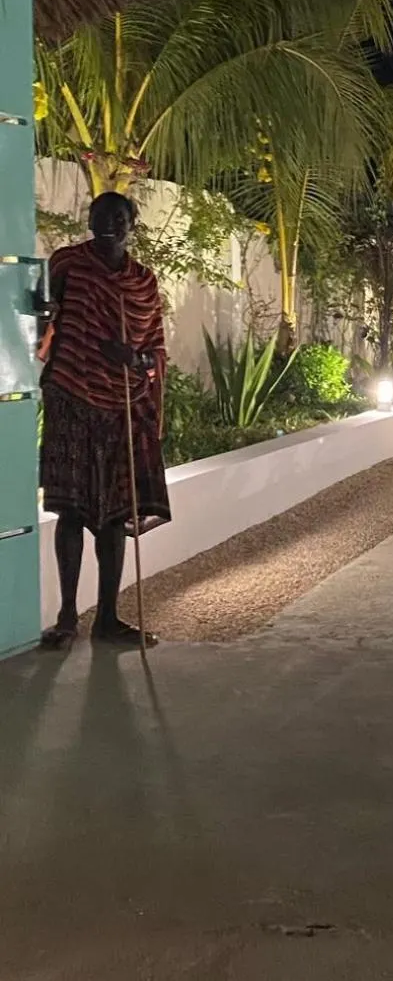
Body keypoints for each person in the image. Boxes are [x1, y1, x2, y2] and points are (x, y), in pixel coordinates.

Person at [38, 191, 170, 650]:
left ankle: (108, 619)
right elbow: (42, 316)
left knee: (113, 517)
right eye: (100, 215)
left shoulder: (143, 283)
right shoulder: (67, 264)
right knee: (71, 511)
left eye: (119, 216)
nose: (108, 223)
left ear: (133, 225)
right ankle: (67, 617)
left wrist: (133, 358)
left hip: (121, 408)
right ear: (89, 219)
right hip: (72, 400)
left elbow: (155, 351)